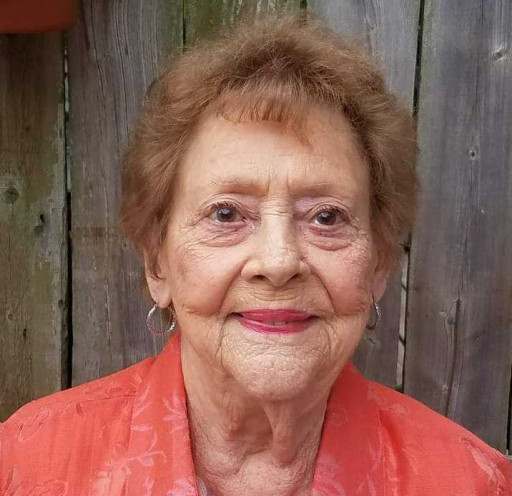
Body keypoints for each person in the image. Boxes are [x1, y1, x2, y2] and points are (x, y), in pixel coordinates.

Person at [1, 11, 510, 496]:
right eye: (226, 214)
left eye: (326, 217)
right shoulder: (26, 466)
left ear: (377, 264)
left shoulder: (473, 482)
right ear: (157, 263)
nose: (279, 261)